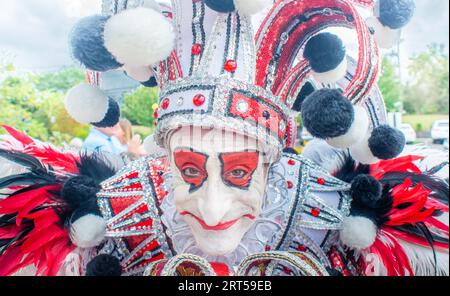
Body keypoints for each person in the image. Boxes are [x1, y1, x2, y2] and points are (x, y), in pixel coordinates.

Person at [0, 0, 448, 277]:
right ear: (166, 160)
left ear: (273, 165)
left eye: (239, 172)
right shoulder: (118, 210)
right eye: (189, 170)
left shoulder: (326, 210)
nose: (213, 209)